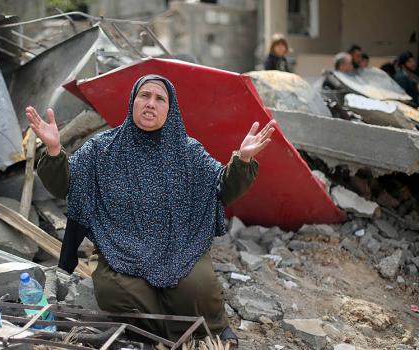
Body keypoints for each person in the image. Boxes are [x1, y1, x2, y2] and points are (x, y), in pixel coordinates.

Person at [26, 75, 276, 347]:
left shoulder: (188, 152)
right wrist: (53, 150)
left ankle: (212, 325)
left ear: (171, 109)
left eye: (160, 99)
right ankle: (165, 336)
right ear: (133, 101)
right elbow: (68, 185)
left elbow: (221, 187)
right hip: (120, 247)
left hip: (180, 245)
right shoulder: (102, 149)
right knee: (116, 292)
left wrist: (243, 160)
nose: (150, 104)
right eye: (144, 96)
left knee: (196, 287)